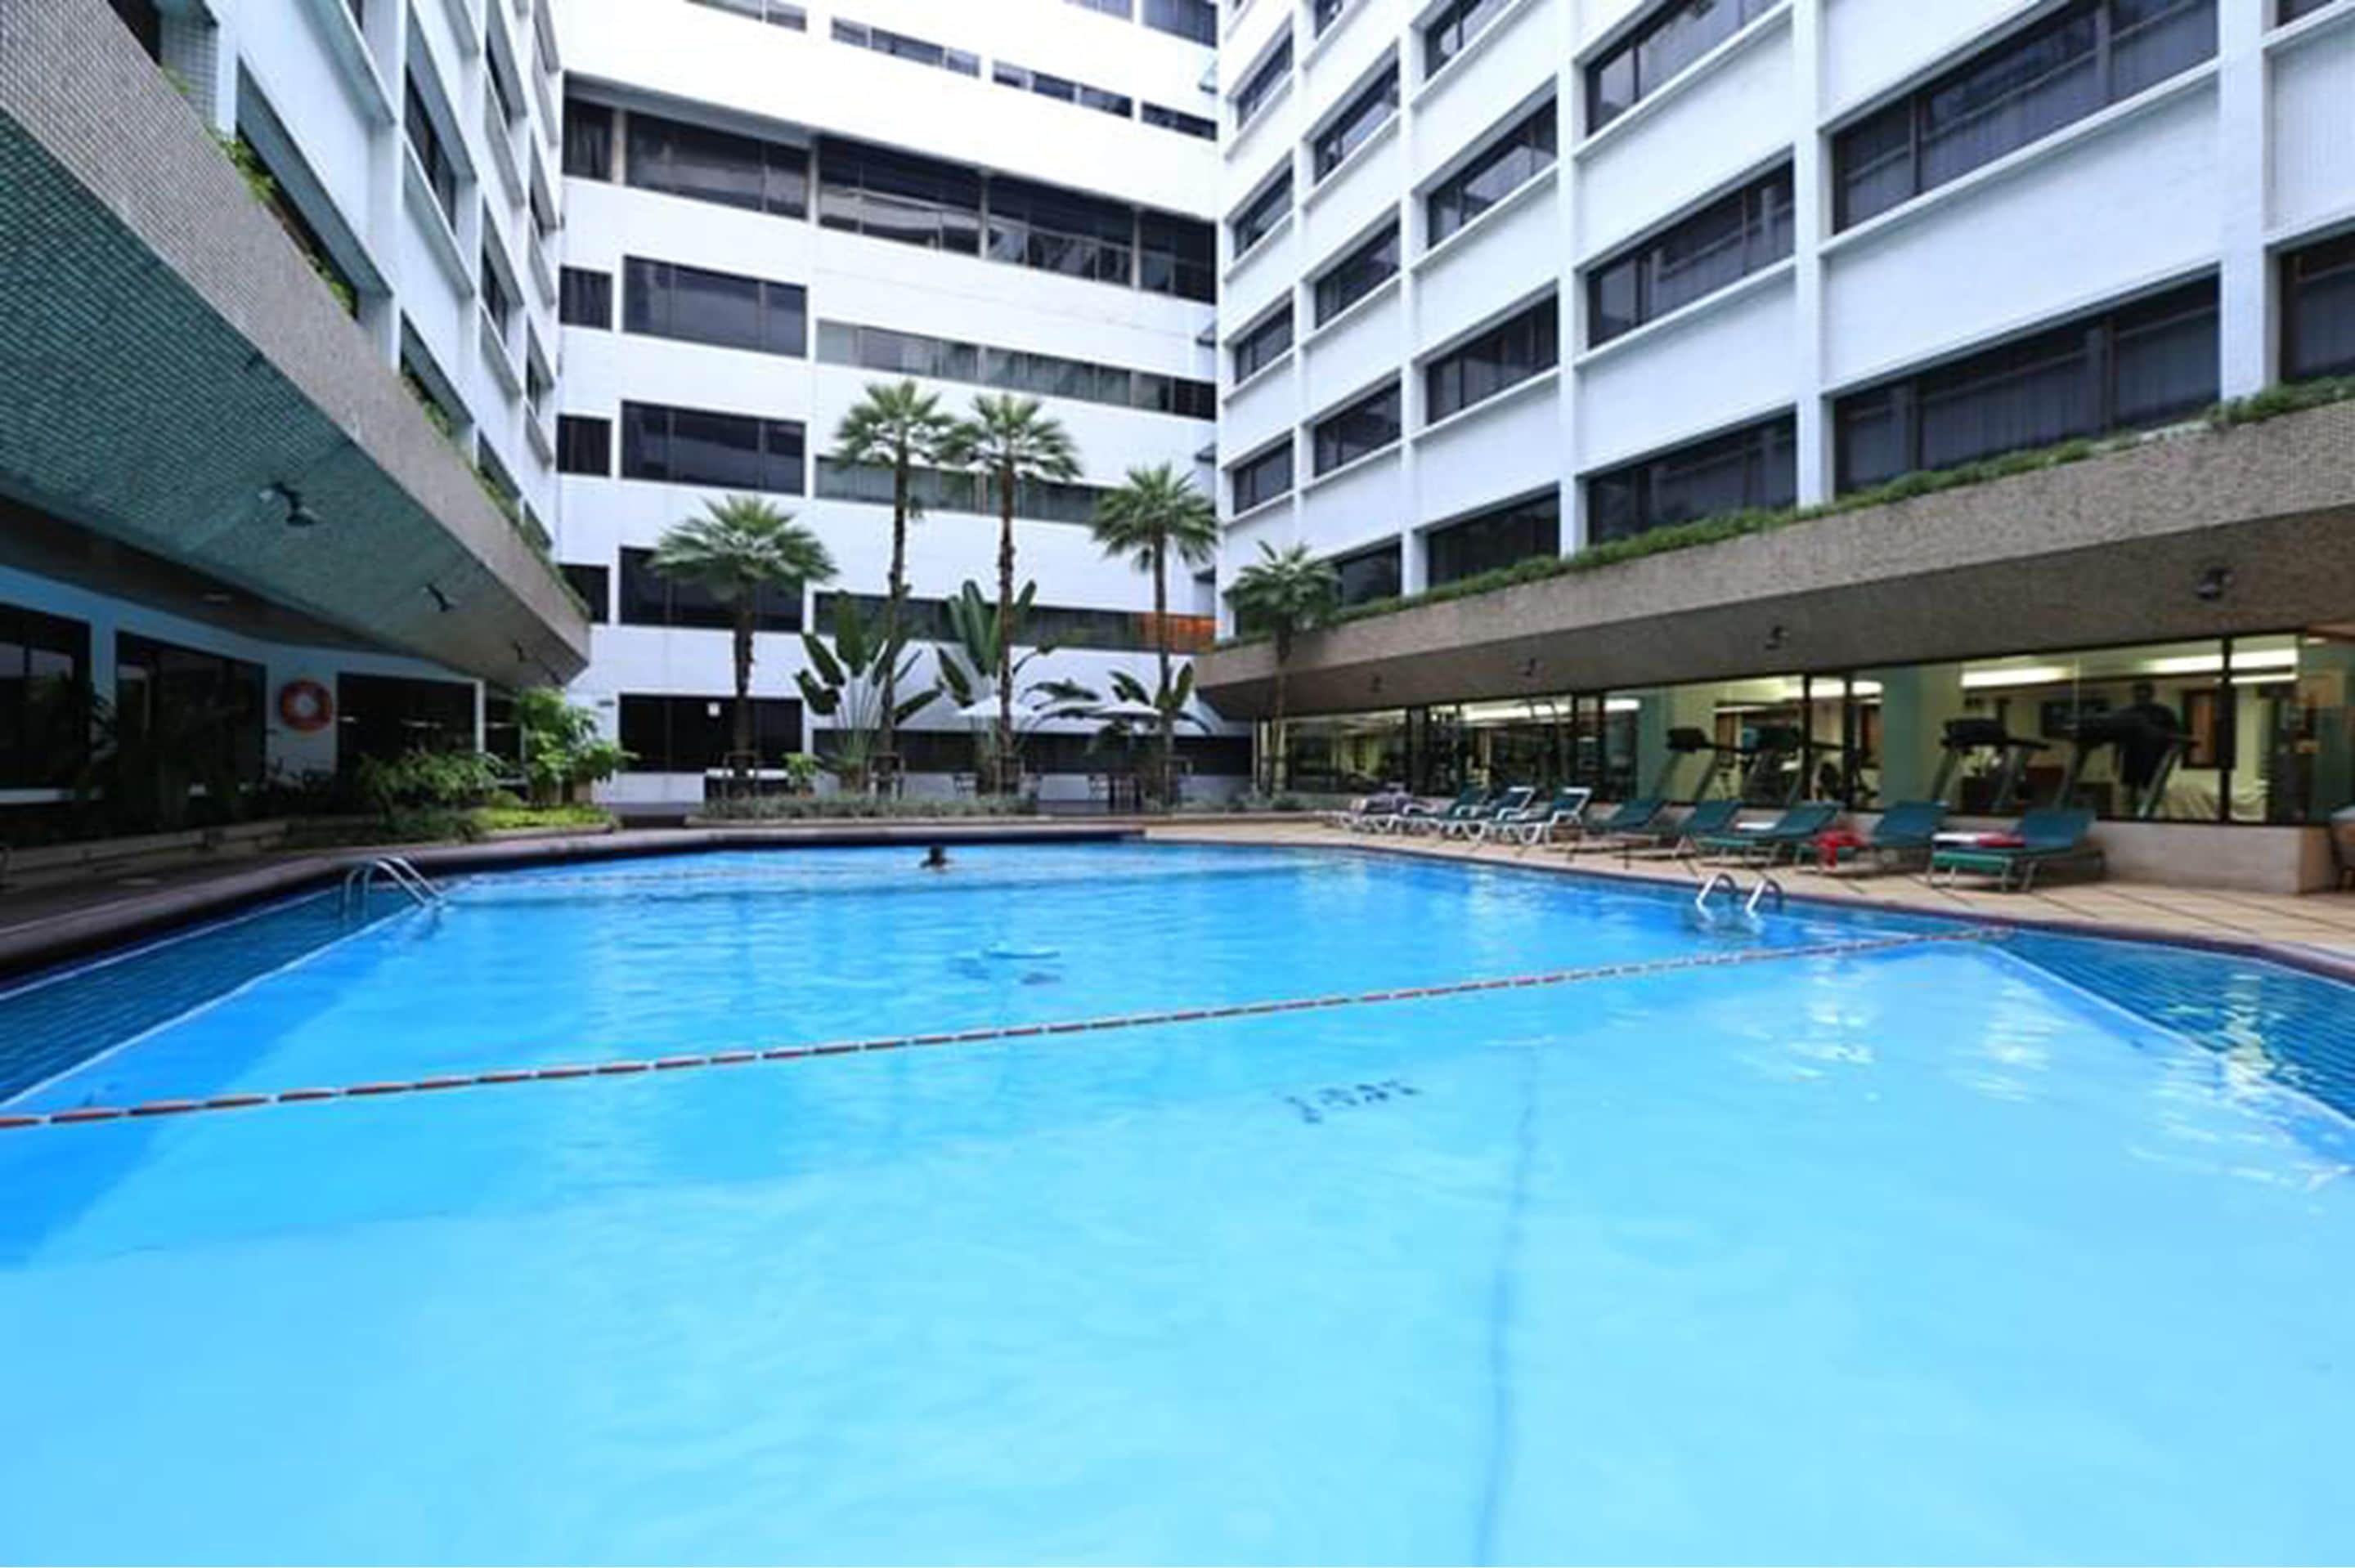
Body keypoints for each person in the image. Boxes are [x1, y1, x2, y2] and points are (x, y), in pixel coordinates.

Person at [2116, 682, 2182, 795]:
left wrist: (2171, 752)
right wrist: (2116, 758)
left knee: (2153, 787)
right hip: (2132, 756)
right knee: (2132, 789)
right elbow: (2118, 737)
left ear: (2151, 695)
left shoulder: (2163, 712)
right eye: (2138, 696)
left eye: (2144, 696)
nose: (2141, 699)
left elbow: (2175, 734)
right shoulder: (2127, 713)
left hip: (2155, 756)